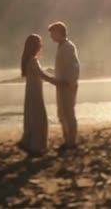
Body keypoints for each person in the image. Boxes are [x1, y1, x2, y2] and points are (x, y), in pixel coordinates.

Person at [48, 21, 80, 150]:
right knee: (62, 113)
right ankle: (67, 140)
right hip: (62, 85)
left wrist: (68, 81)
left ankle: (71, 142)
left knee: (68, 113)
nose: (51, 36)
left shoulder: (67, 47)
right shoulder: (62, 46)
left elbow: (74, 67)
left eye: (52, 33)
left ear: (59, 33)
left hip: (67, 85)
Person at [17, 34, 50, 156]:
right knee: (39, 119)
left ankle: (28, 142)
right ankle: (36, 146)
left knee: (31, 117)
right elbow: (42, 74)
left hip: (31, 92)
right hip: (35, 93)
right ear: (35, 46)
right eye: (39, 43)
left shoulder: (28, 60)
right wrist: (56, 81)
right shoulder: (33, 61)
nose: (41, 46)